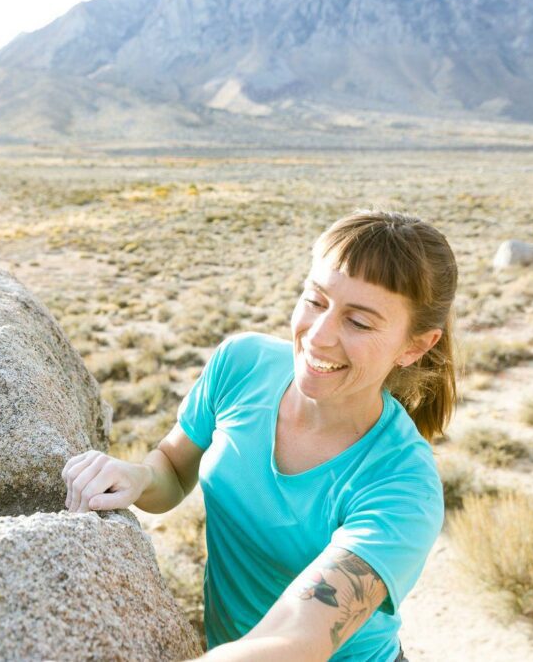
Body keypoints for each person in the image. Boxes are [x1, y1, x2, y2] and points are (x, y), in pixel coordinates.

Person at [62, 210, 457, 662]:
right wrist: (136, 477)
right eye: (315, 300)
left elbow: (297, 639)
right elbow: (172, 469)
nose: (320, 336)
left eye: (359, 323)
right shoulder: (241, 363)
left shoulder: (403, 485)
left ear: (415, 345)